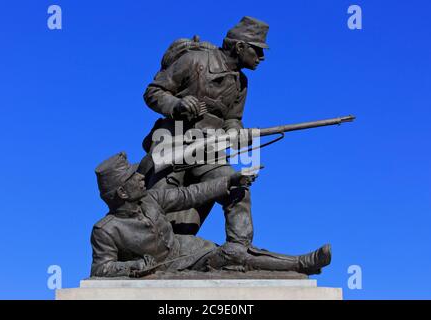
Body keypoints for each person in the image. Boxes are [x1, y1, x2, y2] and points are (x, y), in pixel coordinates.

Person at [90, 152, 331, 278]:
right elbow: (100, 269)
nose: (142, 177)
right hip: (165, 266)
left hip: (187, 249)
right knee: (233, 257)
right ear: (122, 191)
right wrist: (134, 266)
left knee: (234, 253)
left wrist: (230, 180)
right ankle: (300, 265)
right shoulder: (105, 230)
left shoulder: (151, 198)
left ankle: (301, 264)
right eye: (134, 177)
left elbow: (191, 194)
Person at [140, 16, 270, 244]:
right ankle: (149, 248)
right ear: (240, 46)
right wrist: (176, 105)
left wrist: (237, 133)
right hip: (173, 140)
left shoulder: (241, 82)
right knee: (160, 198)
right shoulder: (194, 61)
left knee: (237, 189)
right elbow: (153, 92)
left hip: (208, 151)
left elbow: (232, 119)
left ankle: (238, 251)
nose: (262, 57)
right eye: (257, 51)